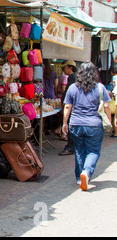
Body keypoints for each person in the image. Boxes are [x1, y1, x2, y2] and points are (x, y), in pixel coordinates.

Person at [62, 61, 112, 191]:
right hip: (94, 125)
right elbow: (106, 106)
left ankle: (79, 178)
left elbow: (67, 106)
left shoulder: (73, 87)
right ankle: (86, 172)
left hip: (76, 124)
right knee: (93, 151)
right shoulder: (100, 87)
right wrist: (110, 121)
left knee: (79, 150)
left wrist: (64, 123)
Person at [59, 60, 77, 156]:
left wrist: (65, 104)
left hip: (72, 106)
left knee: (70, 126)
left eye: (64, 68)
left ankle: (70, 147)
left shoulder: (72, 78)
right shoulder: (75, 77)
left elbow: (69, 94)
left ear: (70, 68)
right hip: (75, 106)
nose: (63, 70)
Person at [43, 59, 58, 134]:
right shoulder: (54, 73)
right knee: (50, 112)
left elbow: (42, 85)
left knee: (43, 112)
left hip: (44, 94)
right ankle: (49, 129)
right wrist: (56, 94)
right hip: (51, 94)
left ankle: (42, 128)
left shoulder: (42, 73)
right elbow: (56, 85)